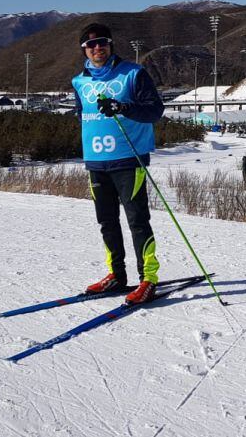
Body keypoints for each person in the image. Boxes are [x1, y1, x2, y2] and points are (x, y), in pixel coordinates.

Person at [73, 23, 165, 304]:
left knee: (137, 221)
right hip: (96, 162)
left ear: (110, 45)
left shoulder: (133, 73)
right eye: (90, 45)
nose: (97, 48)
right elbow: (82, 114)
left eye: (102, 42)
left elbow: (155, 110)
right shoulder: (79, 81)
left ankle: (148, 279)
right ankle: (116, 275)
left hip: (128, 159)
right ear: (84, 50)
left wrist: (123, 107)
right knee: (107, 222)